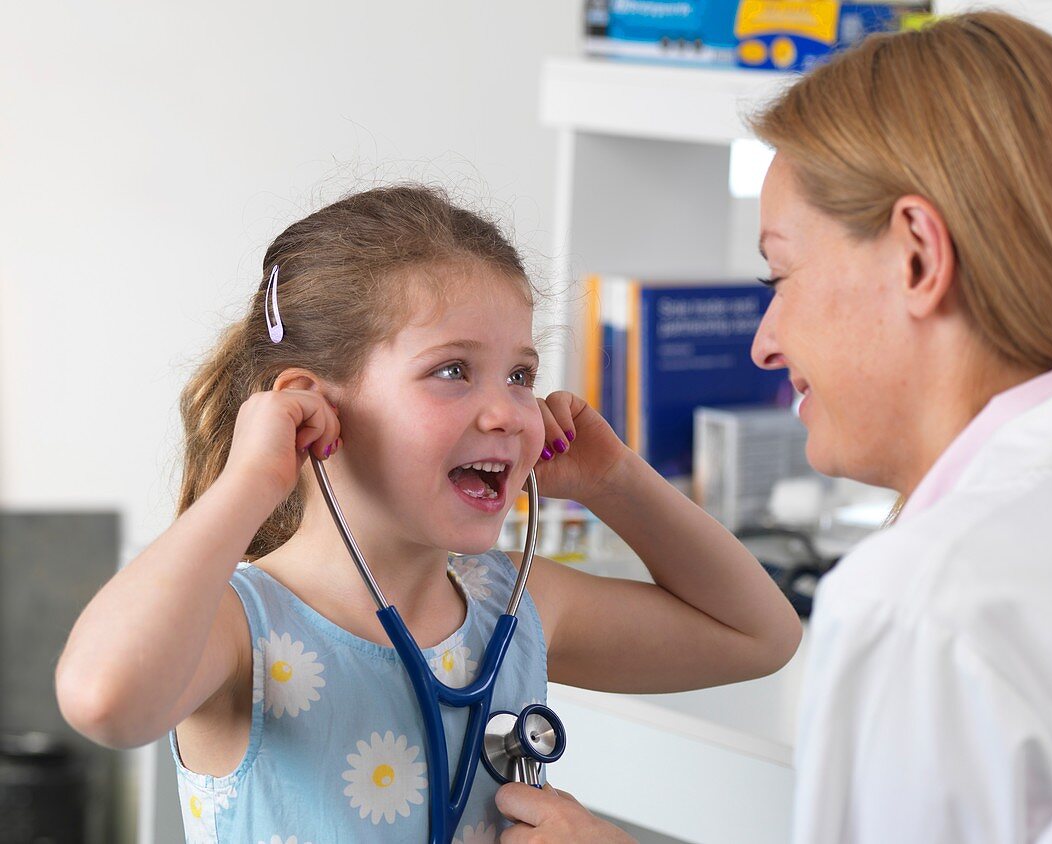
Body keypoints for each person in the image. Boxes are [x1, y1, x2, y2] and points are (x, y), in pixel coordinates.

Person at [495, 10, 1052, 843]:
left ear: (918, 256)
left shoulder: (926, 602)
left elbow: (758, 633)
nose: (765, 343)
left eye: (780, 274)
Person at [54, 184, 802, 842]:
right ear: (308, 404)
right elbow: (104, 700)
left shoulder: (513, 604)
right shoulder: (242, 626)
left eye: (520, 374)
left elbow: (758, 635)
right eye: (452, 370)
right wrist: (251, 480)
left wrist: (615, 480)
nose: (510, 412)